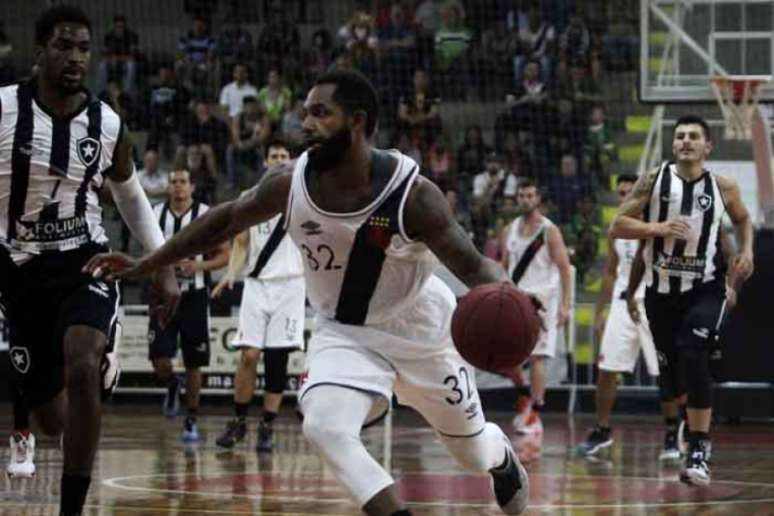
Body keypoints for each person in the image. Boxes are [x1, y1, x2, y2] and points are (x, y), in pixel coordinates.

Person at [84, 69, 531, 516]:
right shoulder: (288, 182)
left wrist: (510, 296)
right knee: (323, 425)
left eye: (321, 113)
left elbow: (473, 265)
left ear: (357, 122)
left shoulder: (413, 195)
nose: (306, 125)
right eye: (304, 114)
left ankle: (500, 456)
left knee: (471, 457)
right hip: (346, 331)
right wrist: (150, 262)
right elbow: (225, 220)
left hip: (420, 327)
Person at [0, 6, 179, 515]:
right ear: (39, 52)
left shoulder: (106, 123)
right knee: (51, 419)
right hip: (18, 269)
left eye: (83, 47)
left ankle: (71, 511)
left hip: (86, 260)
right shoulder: (4, 109)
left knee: (82, 365)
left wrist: (163, 264)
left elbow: (130, 198)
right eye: (63, 45)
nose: (76, 57)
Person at [610, 115, 754, 486]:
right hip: (660, 293)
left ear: (708, 146)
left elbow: (742, 220)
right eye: (680, 136)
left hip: (705, 287)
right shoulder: (653, 181)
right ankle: (684, 426)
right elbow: (618, 226)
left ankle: (699, 448)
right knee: (672, 377)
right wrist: (656, 228)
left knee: (694, 351)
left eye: (693, 136)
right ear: (673, 145)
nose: (685, 141)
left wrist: (747, 251)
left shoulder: (723, 187)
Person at [212, 140, 305, 453]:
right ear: (266, 162)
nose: (278, 160)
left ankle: (267, 425)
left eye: (283, 156)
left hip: (291, 285)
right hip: (256, 284)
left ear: (290, 162)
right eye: (273, 156)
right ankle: (239, 421)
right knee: (249, 355)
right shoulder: (248, 198)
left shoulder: (304, 197)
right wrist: (229, 274)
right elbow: (240, 243)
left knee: (277, 361)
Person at [576, 175, 669, 458]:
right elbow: (610, 271)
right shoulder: (615, 228)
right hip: (621, 303)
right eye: (621, 193)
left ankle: (674, 432)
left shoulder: (658, 224)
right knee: (606, 370)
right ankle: (602, 430)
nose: (625, 197)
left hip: (653, 302)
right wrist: (601, 311)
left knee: (667, 372)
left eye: (630, 193)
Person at [151, 169, 228, 441]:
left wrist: (198, 265)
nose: (178, 187)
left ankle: (191, 419)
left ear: (192, 187)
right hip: (163, 296)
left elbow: (224, 256)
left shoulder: (206, 214)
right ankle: (172, 383)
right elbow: (147, 252)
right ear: (168, 186)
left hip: (195, 296)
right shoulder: (155, 214)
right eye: (173, 182)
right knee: (159, 359)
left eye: (183, 182)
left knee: (194, 363)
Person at [501, 179, 573, 436]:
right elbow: (503, 265)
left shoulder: (549, 230)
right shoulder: (509, 229)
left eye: (530, 195)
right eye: (521, 195)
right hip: (516, 298)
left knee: (537, 356)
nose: (525, 200)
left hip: (543, 301)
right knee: (506, 356)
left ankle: (536, 414)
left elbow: (565, 268)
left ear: (538, 199)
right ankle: (523, 394)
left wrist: (566, 305)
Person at [6, 381, 35, 478]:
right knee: (20, 412)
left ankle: (20, 390)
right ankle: (20, 390)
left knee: (21, 412)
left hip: (22, 434)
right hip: (23, 434)